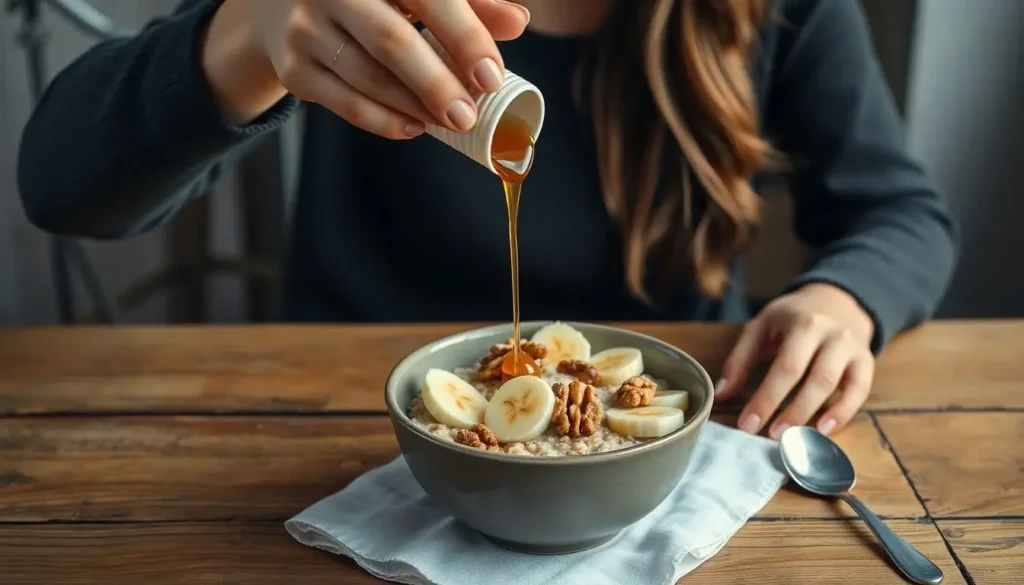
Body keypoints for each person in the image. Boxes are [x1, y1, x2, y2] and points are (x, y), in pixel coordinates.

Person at [16, 0, 958, 439]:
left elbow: (902, 213)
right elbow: (61, 185)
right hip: (343, 446)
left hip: (667, 452)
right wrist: (240, 37)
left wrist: (845, 299)